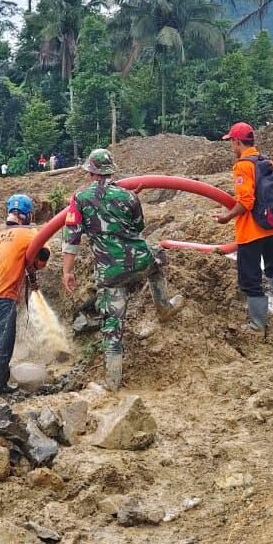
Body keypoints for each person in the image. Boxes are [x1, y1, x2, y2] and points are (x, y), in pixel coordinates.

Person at [62, 149, 184, 391]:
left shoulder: (79, 198)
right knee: (158, 260)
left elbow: (71, 237)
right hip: (140, 260)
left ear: (90, 172)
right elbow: (139, 226)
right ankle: (164, 307)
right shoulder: (128, 196)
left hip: (110, 272)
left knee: (112, 327)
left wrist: (68, 271)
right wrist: (127, 199)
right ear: (111, 170)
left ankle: (113, 383)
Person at [214, 122, 273, 332]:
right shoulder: (266, 161)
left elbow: (246, 201)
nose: (231, 147)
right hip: (272, 227)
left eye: (232, 142)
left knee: (250, 277)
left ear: (237, 142)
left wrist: (227, 216)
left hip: (252, 231)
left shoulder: (243, 165)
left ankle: (257, 324)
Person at [0, 194, 51, 393]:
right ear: (27, 215)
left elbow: (19, 260)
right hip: (5, 297)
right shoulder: (28, 234)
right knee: (1, 346)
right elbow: (42, 258)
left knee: (1, 342)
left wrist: (32, 280)